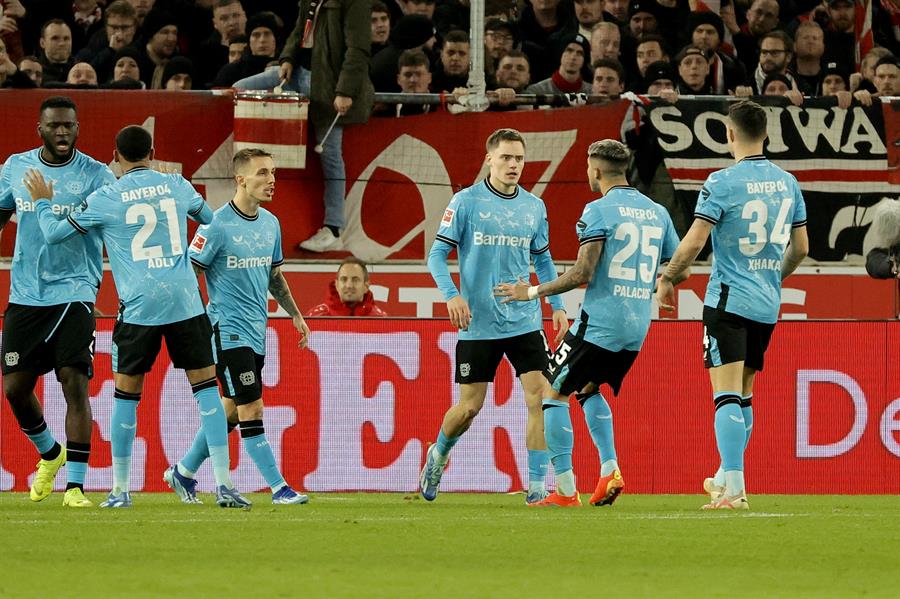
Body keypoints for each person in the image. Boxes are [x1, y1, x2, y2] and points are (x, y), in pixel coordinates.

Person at [30, 125, 251, 510]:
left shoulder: (106, 196)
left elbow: (51, 234)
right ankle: (224, 486)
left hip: (139, 307)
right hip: (186, 302)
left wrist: (44, 202)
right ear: (154, 151)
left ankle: (120, 491)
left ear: (115, 157)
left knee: (126, 396)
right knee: (208, 395)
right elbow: (213, 222)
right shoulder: (177, 184)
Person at [495, 138, 680, 507]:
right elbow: (678, 262)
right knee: (588, 388)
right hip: (637, 325)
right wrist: (663, 284)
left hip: (600, 324)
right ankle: (609, 469)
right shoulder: (657, 211)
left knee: (551, 393)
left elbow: (582, 272)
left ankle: (565, 491)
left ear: (595, 170)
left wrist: (530, 292)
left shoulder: (597, 210)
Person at [655, 100, 809, 510]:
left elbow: (693, 241)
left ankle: (735, 491)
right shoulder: (787, 182)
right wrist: (772, 276)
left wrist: (668, 277)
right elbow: (801, 248)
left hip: (728, 301)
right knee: (743, 395)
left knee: (724, 397)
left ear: (728, 134)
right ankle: (725, 476)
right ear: (766, 134)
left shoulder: (721, 181)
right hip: (766, 303)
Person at [420, 128, 570, 505]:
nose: (513, 164)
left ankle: (536, 486)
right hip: (479, 323)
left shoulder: (534, 207)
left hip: (524, 320)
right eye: (505, 157)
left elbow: (544, 259)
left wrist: (557, 306)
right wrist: (453, 296)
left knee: (539, 398)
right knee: (470, 407)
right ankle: (438, 455)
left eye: (519, 158)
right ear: (489, 159)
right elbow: (436, 255)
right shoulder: (466, 202)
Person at [166, 148, 311, 505]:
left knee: (230, 410)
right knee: (252, 408)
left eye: (273, 173)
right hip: (226, 330)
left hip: (256, 331)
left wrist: (294, 313)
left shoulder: (271, 223)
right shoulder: (215, 225)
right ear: (240, 179)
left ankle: (182, 472)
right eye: (263, 173)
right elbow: (190, 272)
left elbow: (274, 275)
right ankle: (279, 488)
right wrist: (195, 319)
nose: (271, 180)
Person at [0, 96, 116, 508]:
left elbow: (114, 227)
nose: (62, 132)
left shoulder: (98, 176)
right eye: (55, 126)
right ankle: (51, 454)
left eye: (69, 125)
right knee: (14, 388)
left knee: (75, 383)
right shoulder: (16, 167)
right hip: (26, 293)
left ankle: (77, 488)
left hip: (76, 290)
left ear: (78, 128)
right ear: (40, 129)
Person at [307, 257, 388, 316]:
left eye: (355, 280)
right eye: (344, 279)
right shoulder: (317, 317)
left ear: (366, 286)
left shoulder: (380, 319)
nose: (349, 285)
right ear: (337, 285)